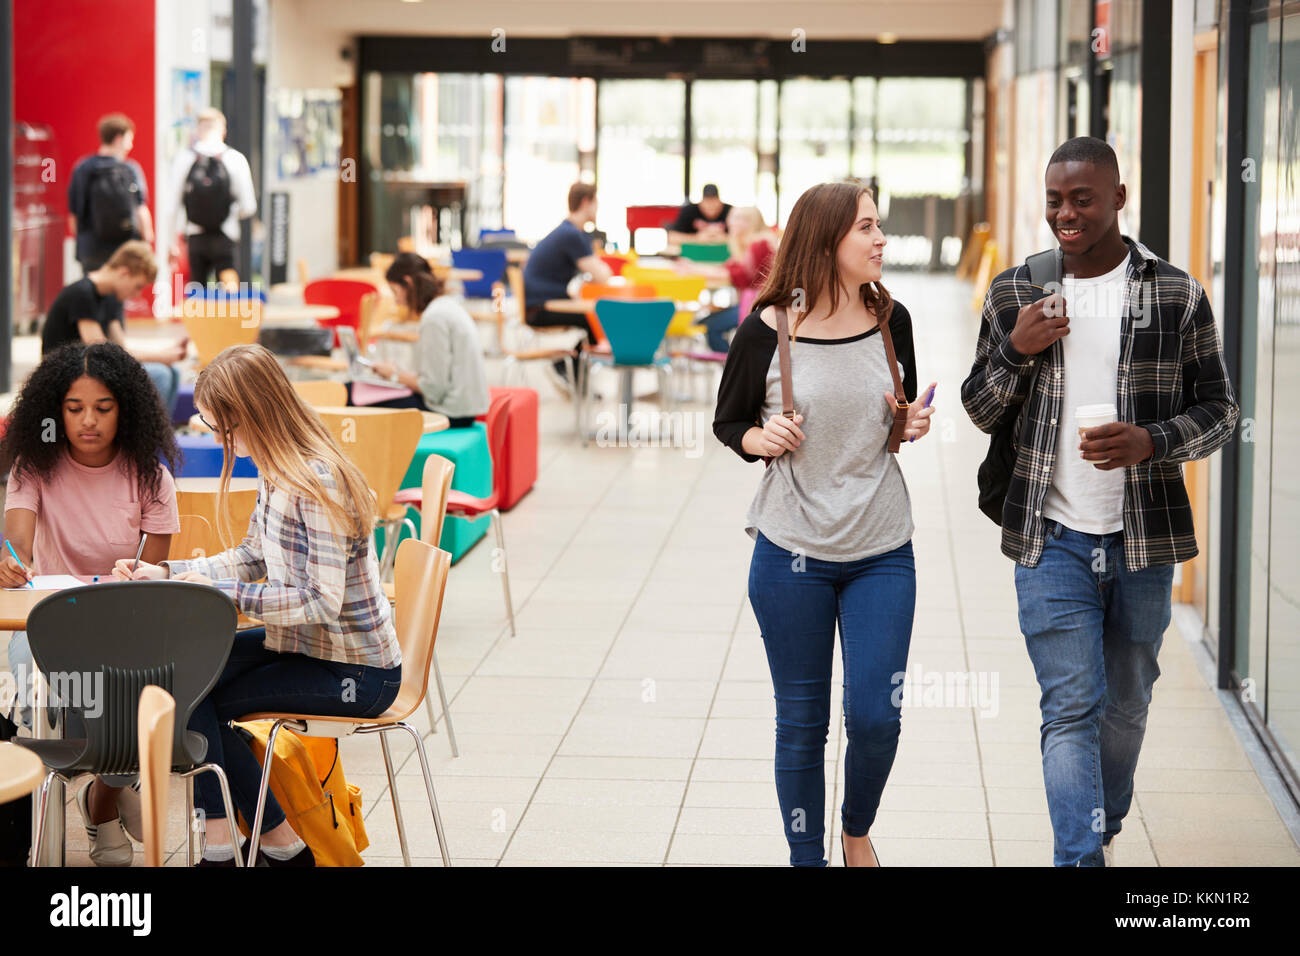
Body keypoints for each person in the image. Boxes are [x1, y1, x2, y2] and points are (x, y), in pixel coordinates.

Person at [960, 137, 1240, 867]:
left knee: (1128, 700)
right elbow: (981, 412)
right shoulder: (1017, 291)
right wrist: (1016, 351)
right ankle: (1079, 855)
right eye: (1054, 199)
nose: (1065, 214)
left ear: (1119, 197)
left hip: (1143, 540)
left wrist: (1153, 441)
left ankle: (1103, 818)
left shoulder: (1174, 295)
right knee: (1070, 707)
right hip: (1048, 536)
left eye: (1082, 198)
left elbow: (1220, 410)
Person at [713, 181, 936, 867]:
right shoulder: (767, 327)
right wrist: (763, 437)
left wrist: (907, 424)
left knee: (876, 715)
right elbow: (729, 423)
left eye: (878, 227)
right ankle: (806, 857)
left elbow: (891, 422)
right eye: (866, 228)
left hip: (880, 546)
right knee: (802, 724)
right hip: (790, 551)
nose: (880, 240)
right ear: (826, 238)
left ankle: (856, 827)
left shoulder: (891, 319)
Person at [112, 344, 402, 868]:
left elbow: (319, 600)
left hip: (355, 670)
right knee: (182, 678)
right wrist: (170, 573)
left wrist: (217, 594)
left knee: (189, 688)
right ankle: (277, 844)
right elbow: (251, 556)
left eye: (223, 427)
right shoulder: (278, 469)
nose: (220, 439)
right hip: (304, 648)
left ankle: (230, 848)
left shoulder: (315, 483)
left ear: (253, 416)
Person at [0, 342, 181, 866]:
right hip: (45, 623)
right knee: (40, 692)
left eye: (103, 408)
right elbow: (17, 551)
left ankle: (101, 798)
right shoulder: (33, 467)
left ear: (126, 409)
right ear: (54, 412)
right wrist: (9, 564)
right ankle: (106, 788)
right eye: (74, 408)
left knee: (139, 687)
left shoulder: (152, 478)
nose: (87, 421)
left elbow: (153, 579)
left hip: (122, 621)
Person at [40, 240, 186, 417]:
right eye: (138, 286)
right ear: (124, 273)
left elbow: (120, 348)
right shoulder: (82, 294)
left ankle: (159, 438)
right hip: (64, 374)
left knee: (173, 372)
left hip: (89, 367)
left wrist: (167, 352)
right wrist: (161, 357)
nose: (138, 294)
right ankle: (142, 440)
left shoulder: (108, 297)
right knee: (160, 374)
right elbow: (101, 350)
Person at [352, 252, 490, 427]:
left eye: (396, 292)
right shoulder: (446, 306)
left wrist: (394, 375)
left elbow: (433, 390)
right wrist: (398, 374)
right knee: (364, 392)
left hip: (450, 412)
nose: (397, 301)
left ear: (408, 283)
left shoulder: (434, 318)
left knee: (354, 396)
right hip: (462, 408)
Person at [522, 182, 612, 389]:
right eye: (596, 203)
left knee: (593, 318)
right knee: (597, 318)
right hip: (540, 308)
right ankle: (568, 370)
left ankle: (569, 369)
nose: (597, 209)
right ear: (586, 202)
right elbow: (602, 275)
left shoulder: (565, 231)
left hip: (538, 303)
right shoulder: (572, 235)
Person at [167, 108, 257, 286]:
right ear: (223, 130)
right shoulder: (235, 159)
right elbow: (249, 207)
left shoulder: (185, 158)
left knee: (196, 293)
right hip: (226, 235)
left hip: (195, 236)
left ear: (198, 131)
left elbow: (171, 205)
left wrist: (171, 242)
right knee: (228, 296)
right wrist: (228, 213)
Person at [67, 113, 154, 273]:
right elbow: (141, 209)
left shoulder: (82, 168)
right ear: (119, 138)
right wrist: (147, 243)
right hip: (125, 249)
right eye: (129, 139)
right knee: (120, 295)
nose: (131, 145)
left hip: (92, 249)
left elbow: (74, 214)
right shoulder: (131, 169)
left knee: (94, 294)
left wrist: (82, 244)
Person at [696, 206, 778, 353]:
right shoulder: (745, 244)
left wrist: (695, 270)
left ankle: (733, 367)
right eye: (732, 217)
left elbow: (743, 277)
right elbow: (729, 268)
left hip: (761, 306)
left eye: (739, 218)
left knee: (711, 326)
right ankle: (734, 366)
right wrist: (694, 268)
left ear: (751, 222)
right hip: (753, 304)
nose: (732, 222)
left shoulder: (760, 244)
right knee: (708, 322)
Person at [666, 183, 732, 246]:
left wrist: (725, 238)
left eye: (714, 201)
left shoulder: (731, 211)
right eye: (707, 201)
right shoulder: (689, 211)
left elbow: (742, 237)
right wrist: (697, 238)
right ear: (701, 201)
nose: (711, 205)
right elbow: (672, 237)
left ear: (720, 201)